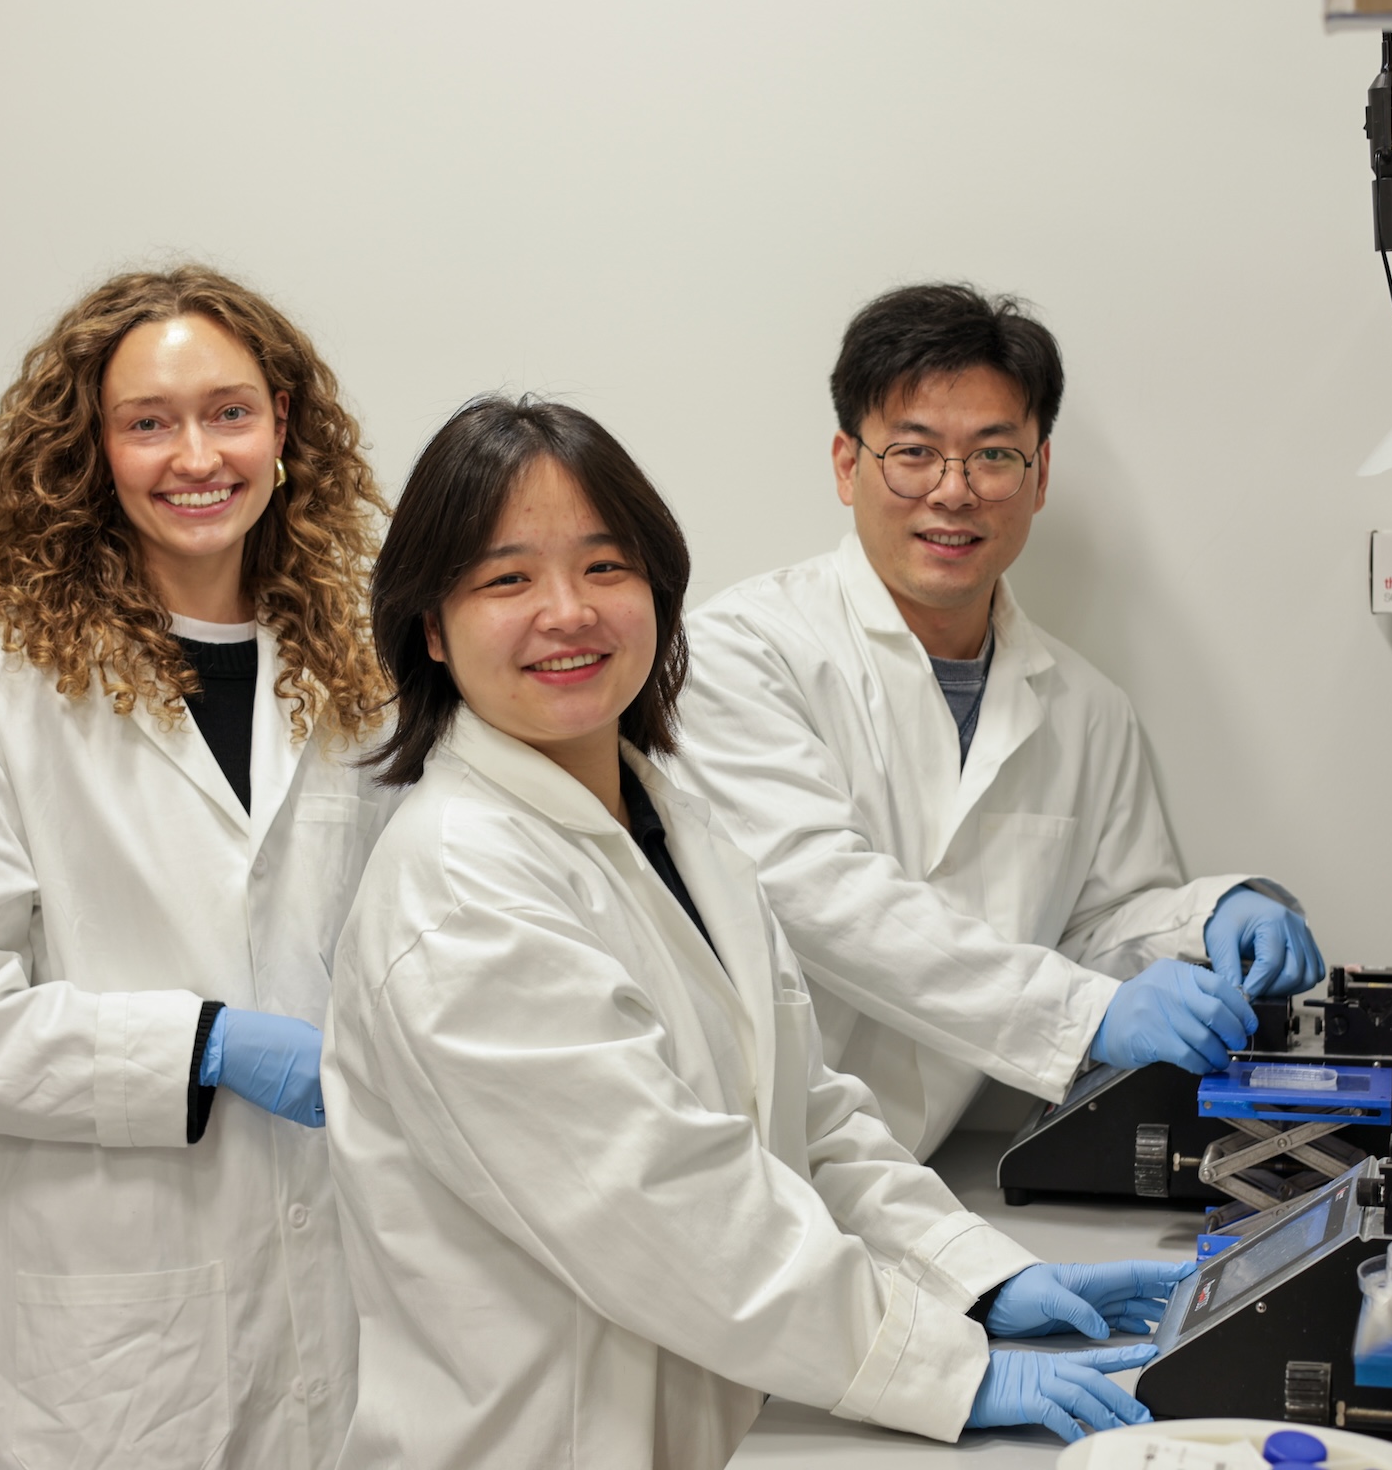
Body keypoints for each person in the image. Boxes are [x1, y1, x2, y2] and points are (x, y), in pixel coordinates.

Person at [322, 394, 1183, 1470]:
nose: (568, 612)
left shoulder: (666, 817)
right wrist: (944, 1368)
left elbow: (802, 1118)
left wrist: (976, 1273)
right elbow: (671, 1214)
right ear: (433, 629)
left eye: (604, 567)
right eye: (508, 578)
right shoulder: (461, 887)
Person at [0, 266, 395, 1470]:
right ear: (88, 453)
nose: (195, 455)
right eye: (148, 422)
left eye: (229, 412)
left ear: (284, 428)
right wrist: (202, 1045)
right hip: (97, 1334)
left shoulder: (355, 687)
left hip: (330, 1269)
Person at [671, 283, 1322, 1160]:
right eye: (913, 453)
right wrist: (1090, 1014)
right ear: (844, 464)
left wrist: (1204, 918)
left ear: (1039, 474)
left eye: (993, 456)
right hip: (743, 1159)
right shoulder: (737, 654)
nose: (954, 492)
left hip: (915, 1182)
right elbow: (823, 897)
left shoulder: (1086, 710)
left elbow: (1090, 931)